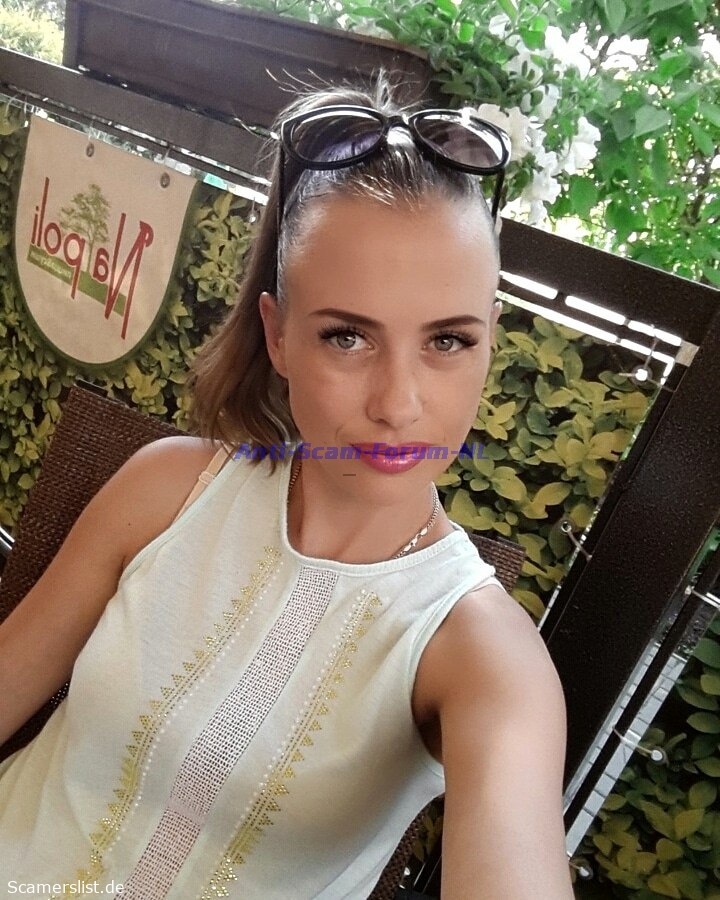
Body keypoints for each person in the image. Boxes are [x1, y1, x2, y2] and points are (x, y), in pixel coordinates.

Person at [0, 80, 573, 899]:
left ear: (489, 343)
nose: (398, 404)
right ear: (277, 336)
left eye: (448, 340)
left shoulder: (481, 655)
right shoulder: (167, 489)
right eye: (347, 337)